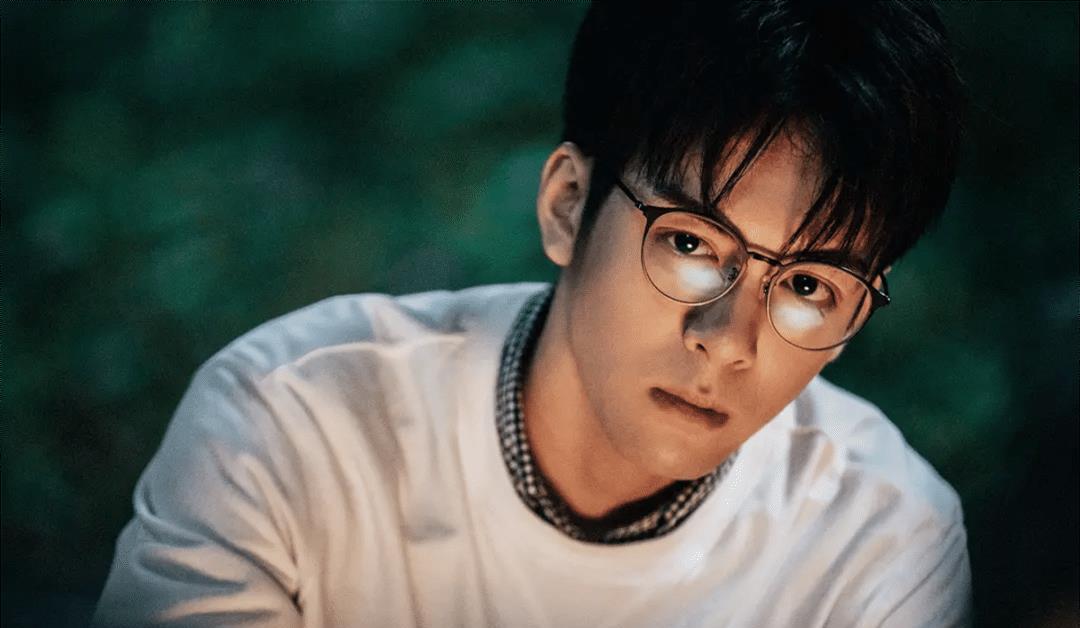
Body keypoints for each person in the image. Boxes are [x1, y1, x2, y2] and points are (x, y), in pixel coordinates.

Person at [94, 2, 970, 626]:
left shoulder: (878, 541)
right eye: (692, 243)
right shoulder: (292, 429)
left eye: (810, 287)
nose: (729, 342)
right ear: (567, 205)